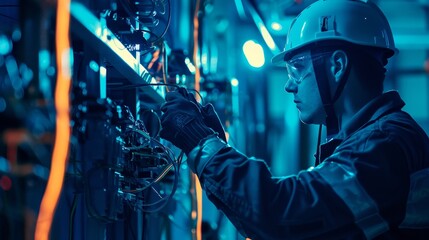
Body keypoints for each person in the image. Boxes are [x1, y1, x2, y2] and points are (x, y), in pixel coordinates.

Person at [160, 0, 429, 239]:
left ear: (337, 66)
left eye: (298, 69)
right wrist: (217, 149)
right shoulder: (377, 140)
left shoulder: (384, 144)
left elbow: (282, 216)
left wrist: (201, 143)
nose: (289, 86)